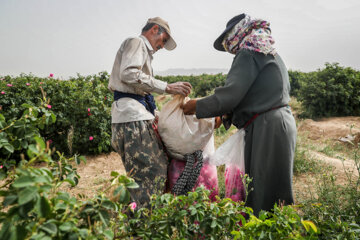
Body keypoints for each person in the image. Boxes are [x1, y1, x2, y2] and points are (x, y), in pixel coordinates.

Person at [182, 13, 297, 216]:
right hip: (280, 123)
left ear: (237, 33)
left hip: (267, 127)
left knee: (261, 190)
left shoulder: (248, 52)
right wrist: (225, 115)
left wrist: (195, 106)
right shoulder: (267, 50)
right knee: (275, 188)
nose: (228, 47)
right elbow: (253, 94)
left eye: (228, 40)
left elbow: (231, 95)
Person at [108, 17, 192, 208]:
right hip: (131, 116)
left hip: (135, 114)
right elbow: (129, 74)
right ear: (155, 29)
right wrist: (167, 87)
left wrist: (158, 114)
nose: (162, 46)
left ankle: (139, 220)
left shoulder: (144, 51)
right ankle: (142, 225)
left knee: (148, 171)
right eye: (163, 40)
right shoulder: (136, 42)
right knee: (150, 172)